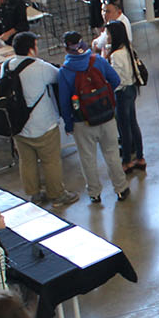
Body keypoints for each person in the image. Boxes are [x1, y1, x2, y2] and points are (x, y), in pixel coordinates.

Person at [0, 32, 75, 208]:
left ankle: (34, 194)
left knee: (26, 162)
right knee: (51, 161)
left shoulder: (6, 66)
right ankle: (57, 195)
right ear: (32, 48)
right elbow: (59, 76)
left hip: (18, 125)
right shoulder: (40, 67)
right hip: (43, 124)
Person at [55, 30, 127, 205]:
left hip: (82, 121)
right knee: (112, 154)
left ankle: (95, 193)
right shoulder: (98, 60)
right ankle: (121, 189)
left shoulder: (64, 72)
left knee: (87, 158)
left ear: (66, 49)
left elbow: (64, 102)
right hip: (107, 116)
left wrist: (68, 124)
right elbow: (116, 80)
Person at [97, 20, 145, 174]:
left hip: (122, 93)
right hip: (131, 89)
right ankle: (140, 157)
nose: (107, 36)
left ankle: (126, 161)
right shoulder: (128, 49)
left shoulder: (116, 55)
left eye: (108, 33)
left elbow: (116, 78)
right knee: (133, 123)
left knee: (124, 129)